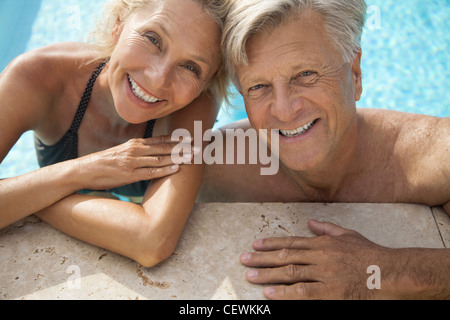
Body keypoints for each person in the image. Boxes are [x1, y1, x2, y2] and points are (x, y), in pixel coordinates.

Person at [199, 0, 450, 299]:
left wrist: (384, 270)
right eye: (258, 86)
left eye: (305, 74)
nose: (285, 110)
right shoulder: (211, 165)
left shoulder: (435, 156)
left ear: (355, 73)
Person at [0, 0, 231, 268]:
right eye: (153, 39)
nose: (158, 79)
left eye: (190, 67)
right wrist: (88, 170)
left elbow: (152, 242)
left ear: (207, 81)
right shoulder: (37, 76)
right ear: (119, 22)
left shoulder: (194, 105)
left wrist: (27, 197)